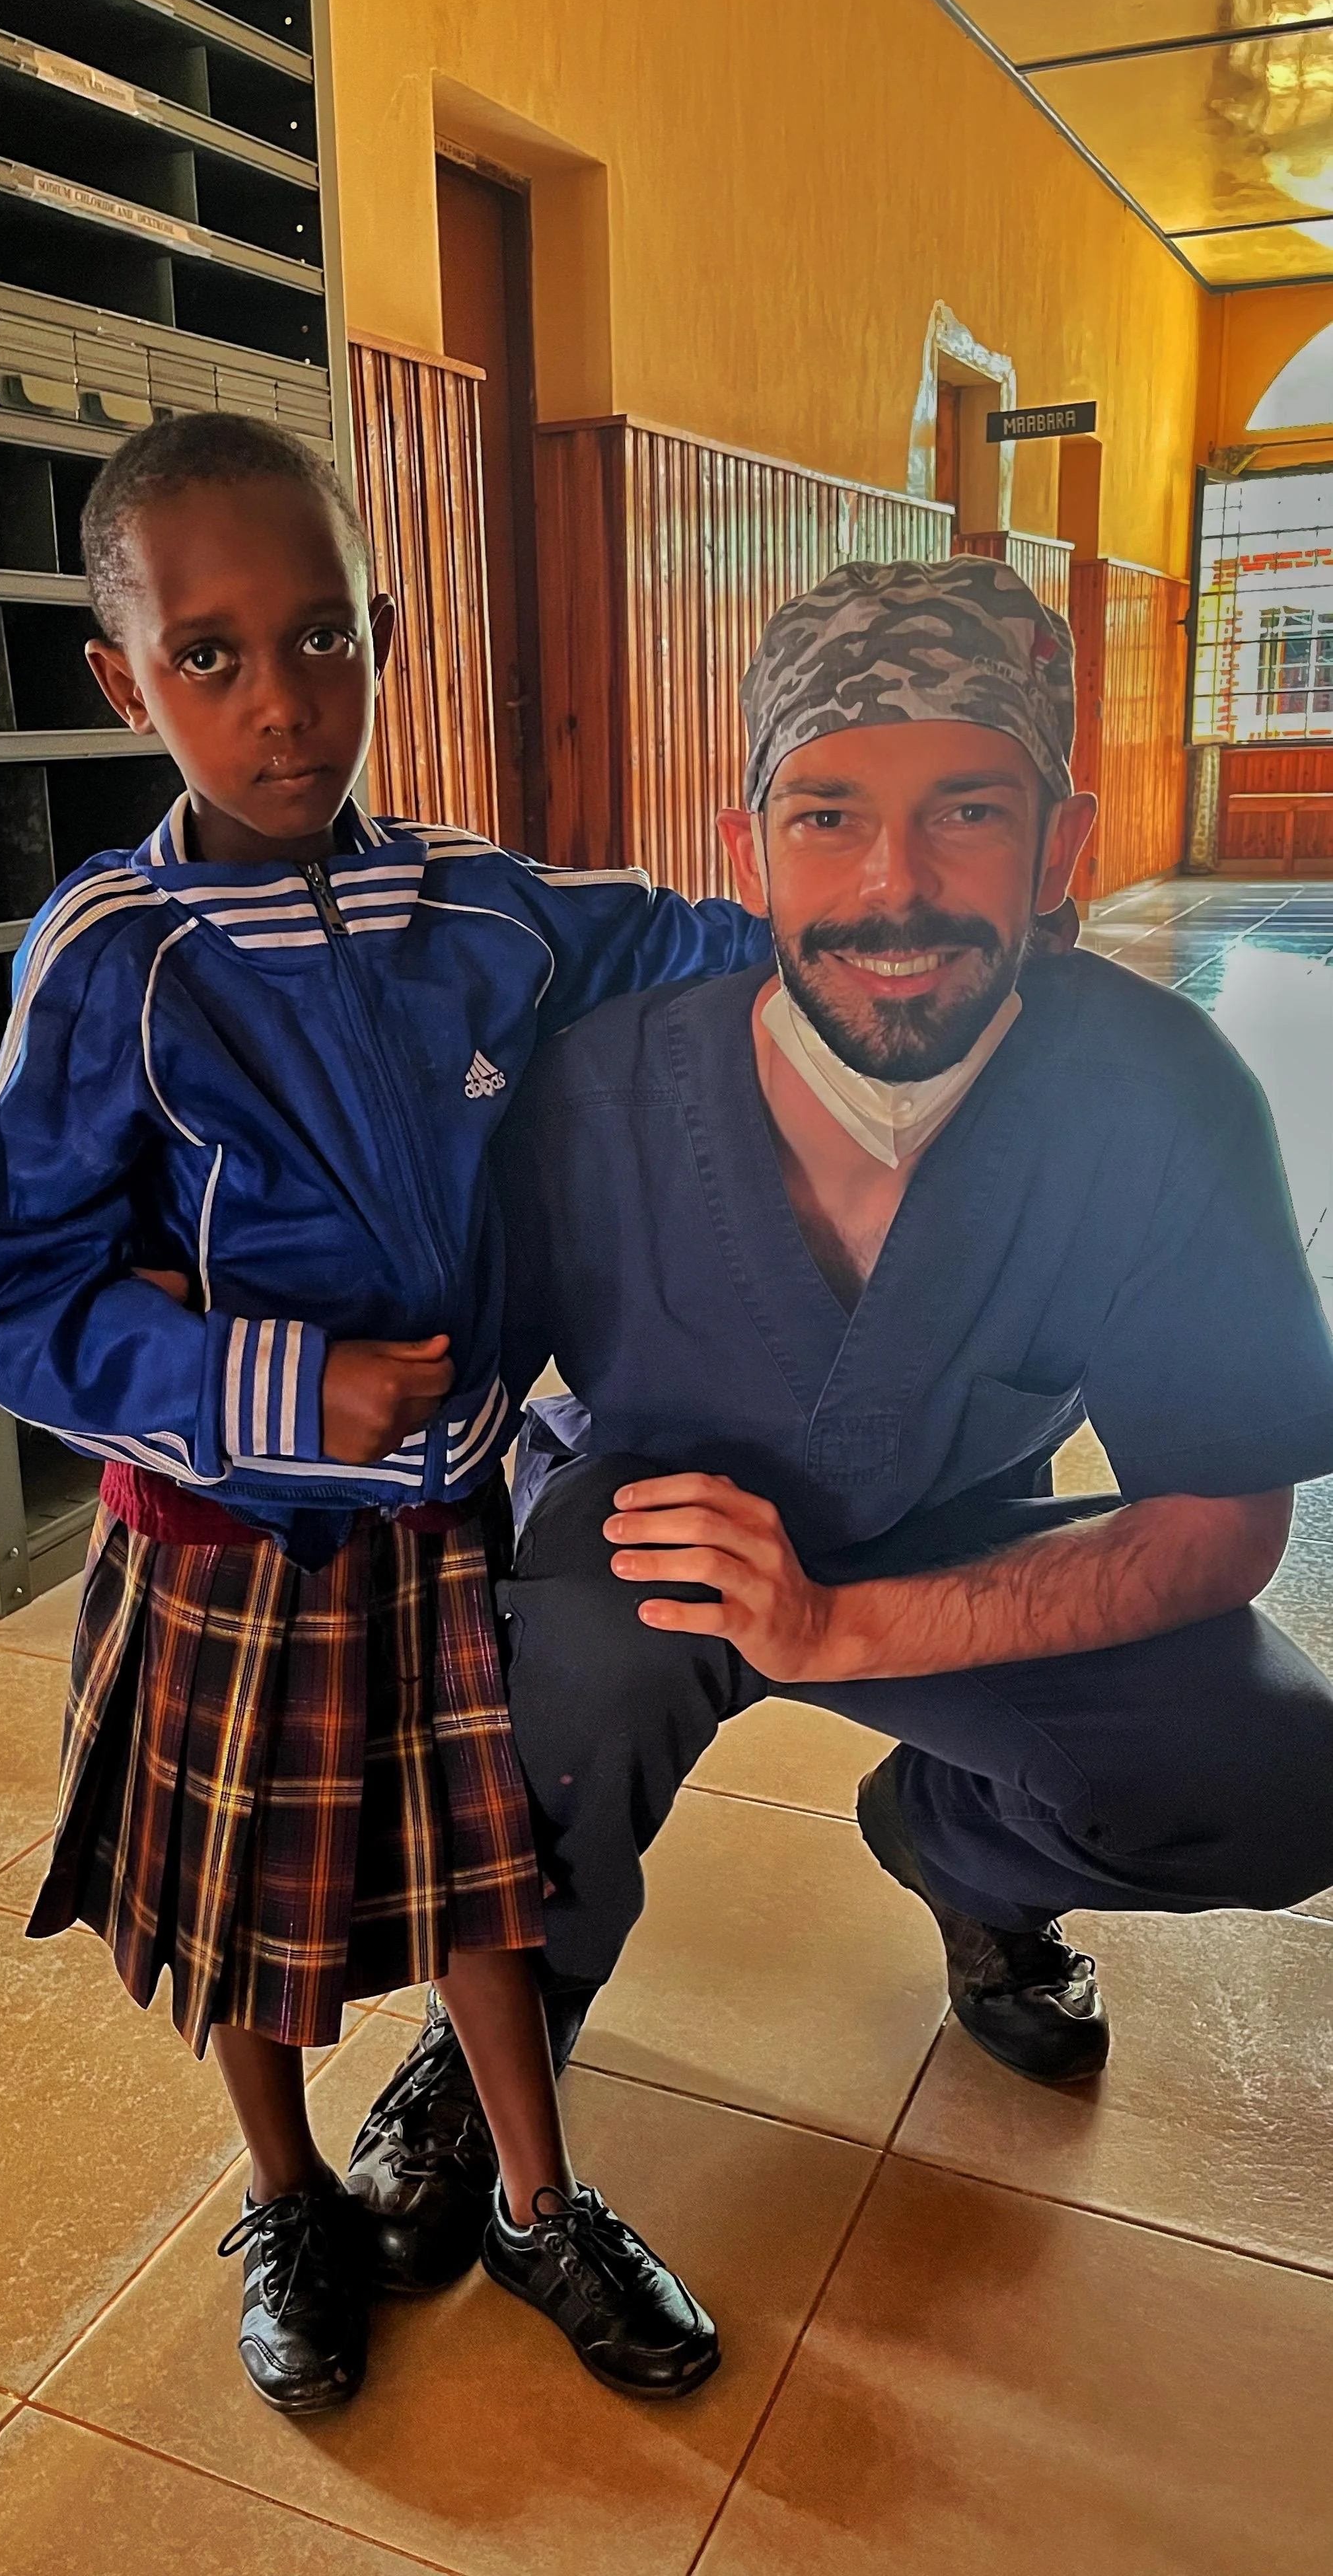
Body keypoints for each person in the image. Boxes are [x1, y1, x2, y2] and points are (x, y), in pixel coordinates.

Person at [346, 556, 1333, 2281]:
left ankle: (960, 1858)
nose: (893, 886)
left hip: (942, 1538)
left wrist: (838, 1623)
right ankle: (493, 2036)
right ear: (746, 857)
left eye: (962, 810)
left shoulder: (1156, 1100)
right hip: (656, 1520)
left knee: (1280, 1782)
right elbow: (440, 1389)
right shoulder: (597, 1095)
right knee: (548, 1675)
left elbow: (1214, 1524)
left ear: (1058, 849)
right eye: (825, 817)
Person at [0, 410, 768, 2411]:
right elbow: (5, 1305)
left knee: (488, 1877)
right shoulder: (112, 964)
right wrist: (280, 1379)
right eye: (210, 656)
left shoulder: (474, 909)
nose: (284, 704)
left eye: (323, 638)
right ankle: (290, 2189)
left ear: (388, 633)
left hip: (441, 1529)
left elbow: (674, 938)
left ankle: (534, 2205)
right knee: (242, 1911)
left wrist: (865, 945)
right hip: (228, 1544)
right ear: (121, 680)